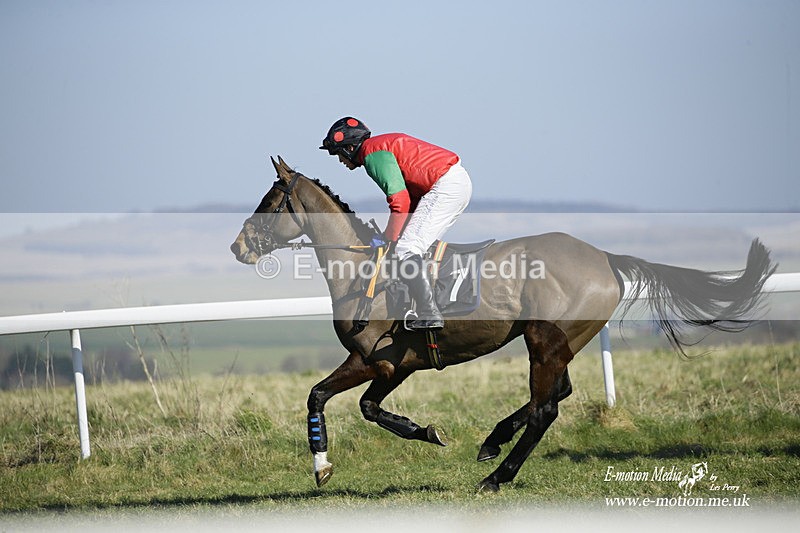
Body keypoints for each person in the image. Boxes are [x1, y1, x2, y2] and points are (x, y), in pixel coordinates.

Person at [320, 116, 472, 330]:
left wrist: (388, 239)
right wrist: (391, 235)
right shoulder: (378, 147)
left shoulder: (372, 154)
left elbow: (400, 201)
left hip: (446, 186)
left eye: (339, 154)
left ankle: (430, 313)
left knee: (407, 248)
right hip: (453, 183)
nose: (340, 161)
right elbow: (410, 200)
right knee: (411, 244)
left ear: (350, 147)